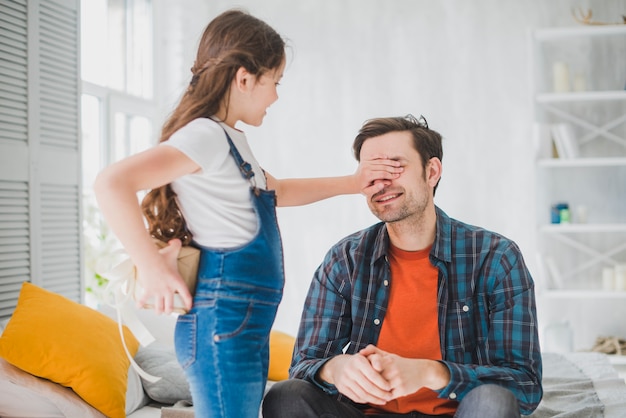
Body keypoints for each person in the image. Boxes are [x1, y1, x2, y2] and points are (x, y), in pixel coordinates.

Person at [93, 9, 401, 418]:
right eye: (274, 81)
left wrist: (352, 182)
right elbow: (111, 182)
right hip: (224, 323)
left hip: (244, 324)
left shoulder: (231, 141)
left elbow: (281, 190)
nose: (275, 95)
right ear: (244, 78)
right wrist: (151, 268)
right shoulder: (205, 135)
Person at [263, 115, 543, 418]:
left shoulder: (496, 257)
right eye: (370, 173)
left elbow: (524, 386)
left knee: (493, 402)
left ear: (431, 171)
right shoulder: (344, 260)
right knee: (285, 396)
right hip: (363, 414)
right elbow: (303, 366)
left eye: (395, 167)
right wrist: (335, 368)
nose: (381, 183)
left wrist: (430, 373)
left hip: (460, 413)